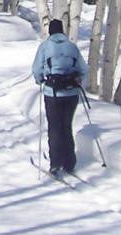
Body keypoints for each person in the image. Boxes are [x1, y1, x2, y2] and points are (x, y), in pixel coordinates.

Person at [31, 19, 88, 176]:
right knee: (66, 126)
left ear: (50, 31)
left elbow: (36, 69)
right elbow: (83, 68)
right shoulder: (72, 47)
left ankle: (56, 162)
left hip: (52, 93)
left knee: (54, 127)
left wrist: (40, 80)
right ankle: (69, 162)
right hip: (71, 94)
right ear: (62, 31)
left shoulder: (45, 47)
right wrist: (80, 80)